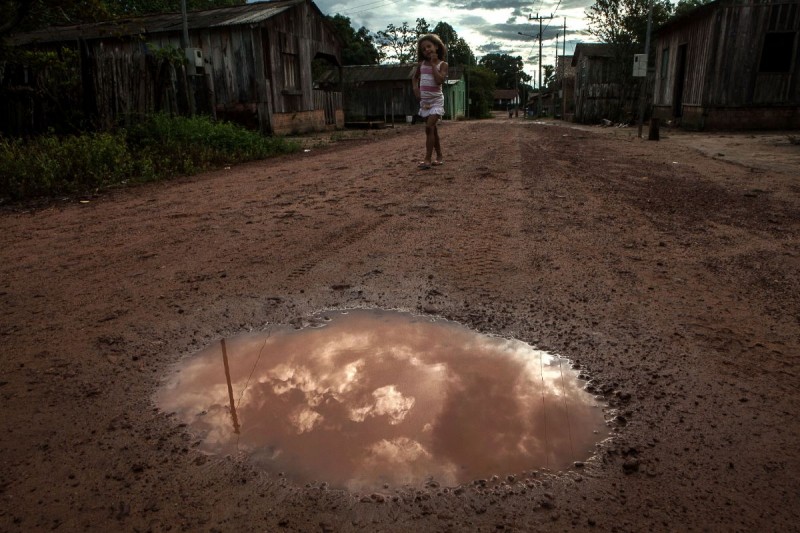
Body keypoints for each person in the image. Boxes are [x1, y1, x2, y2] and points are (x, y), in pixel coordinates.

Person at [412, 34, 448, 170]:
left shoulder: (443, 65)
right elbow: (414, 78)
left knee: (428, 127)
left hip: (436, 101)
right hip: (425, 102)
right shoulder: (421, 65)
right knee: (433, 130)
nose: (426, 49)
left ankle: (427, 159)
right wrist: (416, 90)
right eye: (423, 49)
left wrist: (433, 65)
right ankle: (439, 156)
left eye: (429, 46)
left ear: (437, 47)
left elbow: (439, 80)